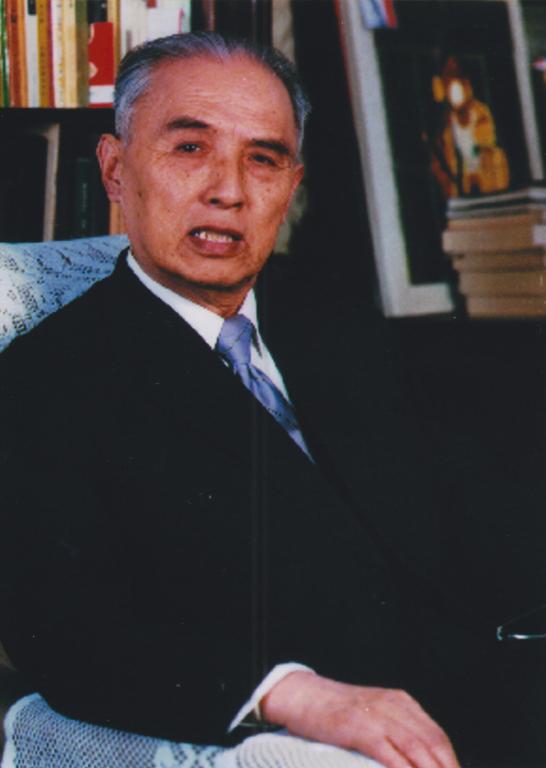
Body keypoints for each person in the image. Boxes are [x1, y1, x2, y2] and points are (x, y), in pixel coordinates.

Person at [3, 30, 544, 768]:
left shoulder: (334, 322)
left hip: (499, 687)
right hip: (343, 737)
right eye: (189, 148)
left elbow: (473, 507)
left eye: (263, 158)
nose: (229, 190)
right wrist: (287, 693)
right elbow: (66, 631)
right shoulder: (45, 381)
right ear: (115, 169)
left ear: (291, 187)